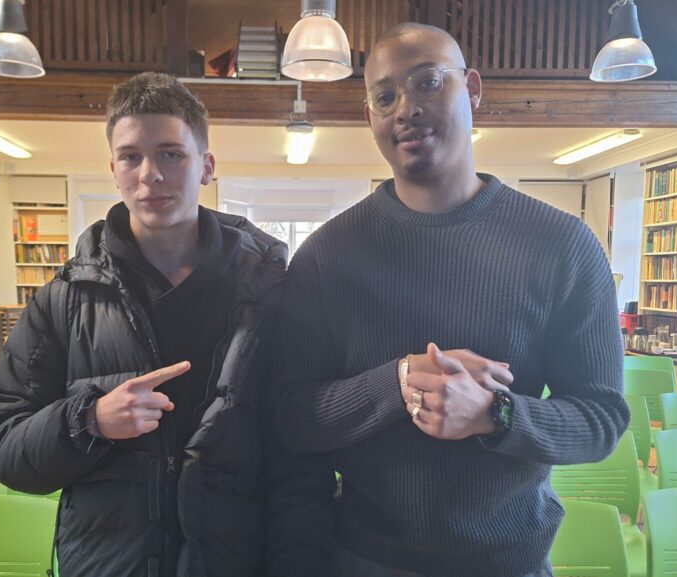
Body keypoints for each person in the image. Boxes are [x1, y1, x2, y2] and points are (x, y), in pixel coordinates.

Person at [268, 23, 630, 577]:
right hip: (364, 558)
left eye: (428, 83)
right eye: (384, 96)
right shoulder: (327, 256)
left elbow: (600, 420)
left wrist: (496, 415)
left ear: (473, 89)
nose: (405, 109)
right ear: (370, 117)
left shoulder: (562, 244)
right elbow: (291, 416)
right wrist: (396, 383)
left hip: (509, 561)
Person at [0, 72, 332, 577]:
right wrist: (88, 421)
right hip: (109, 562)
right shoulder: (64, 300)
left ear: (205, 165)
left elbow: (299, 454)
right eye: (131, 156)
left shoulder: (267, 292)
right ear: (113, 168)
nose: (150, 174)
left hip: (236, 557)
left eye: (171, 154)